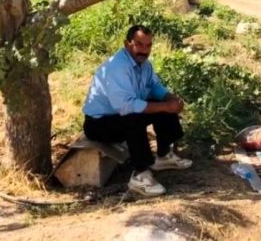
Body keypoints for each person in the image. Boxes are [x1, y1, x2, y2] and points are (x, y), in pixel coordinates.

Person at [82, 24, 192, 196]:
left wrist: (169, 99)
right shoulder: (117, 68)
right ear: (127, 44)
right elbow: (125, 106)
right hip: (99, 124)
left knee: (161, 106)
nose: (144, 50)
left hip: (119, 116)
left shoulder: (144, 64)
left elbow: (154, 86)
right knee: (133, 119)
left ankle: (163, 156)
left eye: (148, 45)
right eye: (139, 45)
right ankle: (139, 174)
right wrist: (164, 106)